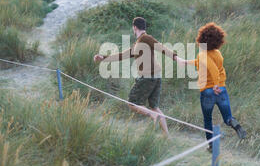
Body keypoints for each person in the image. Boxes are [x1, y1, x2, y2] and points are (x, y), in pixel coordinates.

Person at [94, 17, 178, 136]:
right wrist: (103, 57)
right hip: (156, 76)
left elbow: (161, 47)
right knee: (154, 106)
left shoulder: (145, 38)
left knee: (132, 103)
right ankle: (167, 137)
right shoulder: (138, 42)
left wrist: (175, 57)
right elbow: (123, 55)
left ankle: (153, 116)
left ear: (134, 27)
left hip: (148, 77)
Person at [176, 22, 246, 150]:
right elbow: (200, 62)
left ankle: (211, 146)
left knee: (207, 120)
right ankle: (232, 122)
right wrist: (185, 62)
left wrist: (214, 85)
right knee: (227, 117)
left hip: (209, 91)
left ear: (202, 38)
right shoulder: (217, 53)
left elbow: (212, 69)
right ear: (218, 39)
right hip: (222, 90)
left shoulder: (203, 54)